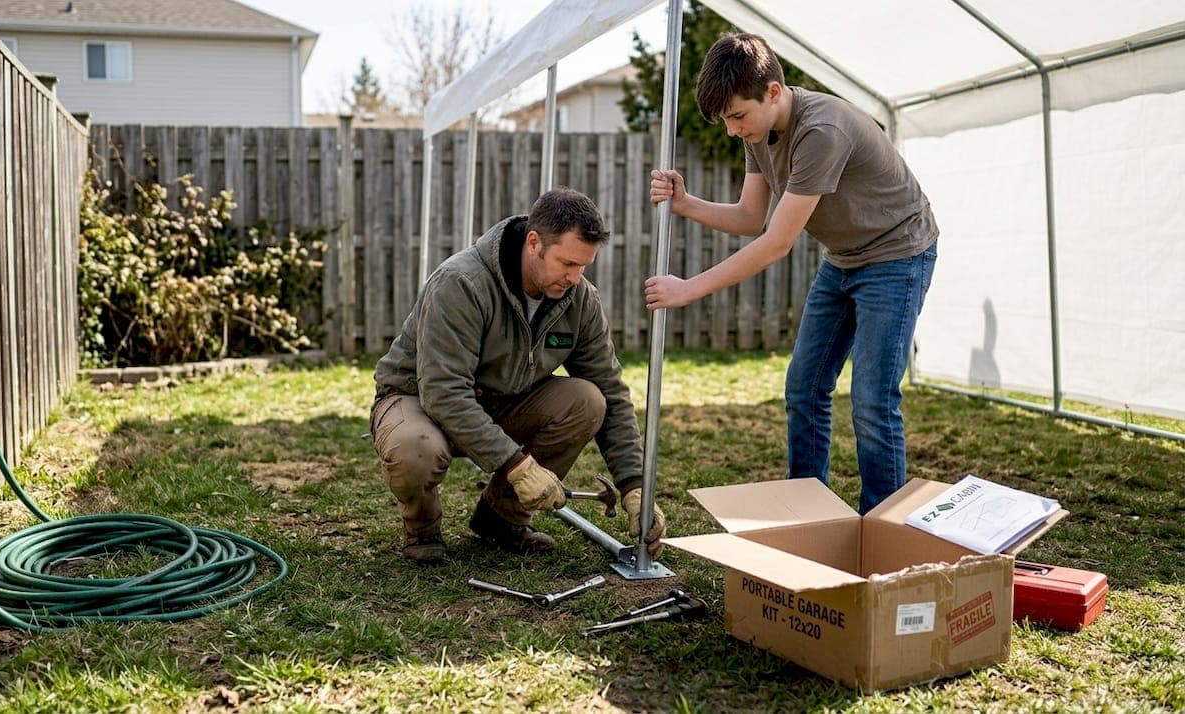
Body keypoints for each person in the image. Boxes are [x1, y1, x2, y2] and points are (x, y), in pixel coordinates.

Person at [645, 33, 939, 514]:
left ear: (774, 92)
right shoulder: (759, 133)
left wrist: (688, 288)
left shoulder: (821, 131)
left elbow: (775, 245)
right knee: (804, 387)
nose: (732, 130)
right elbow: (749, 218)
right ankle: (808, 514)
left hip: (896, 256)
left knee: (871, 399)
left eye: (737, 116)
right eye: (726, 120)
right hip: (843, 258)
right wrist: (685, 203)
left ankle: (882, 528)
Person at [372, 187, 667, 564]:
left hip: (502, 402)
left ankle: (502, 520)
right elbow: (443, 391)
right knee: (416, 448)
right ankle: (423, 530)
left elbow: (610, 391)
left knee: (588, 400)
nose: (575, 278)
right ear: (533, 242)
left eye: (583, 267)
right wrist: (518, 465)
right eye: (567, 263)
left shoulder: (580, 299)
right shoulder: (461, 283)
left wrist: (633, 485)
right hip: (417, 400)